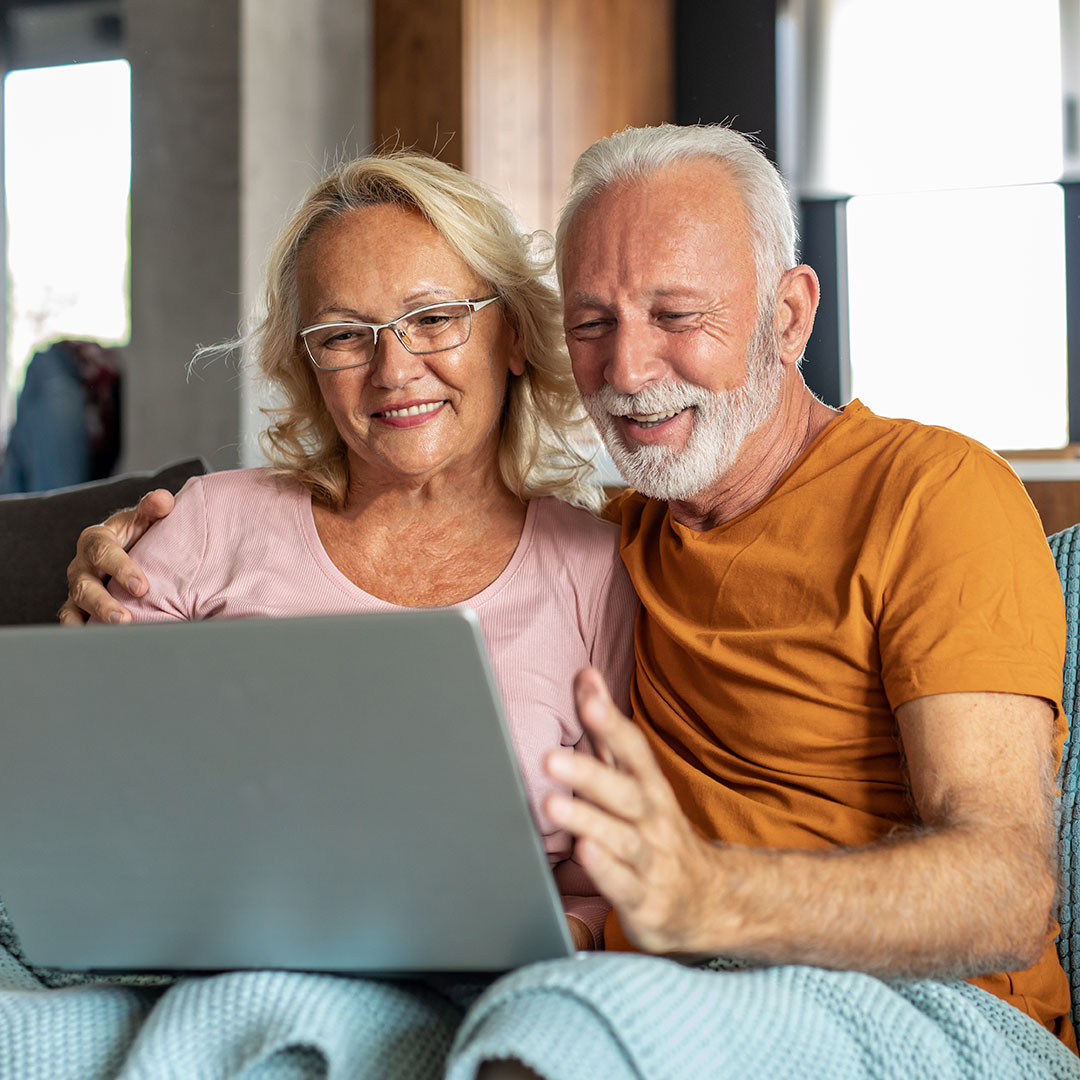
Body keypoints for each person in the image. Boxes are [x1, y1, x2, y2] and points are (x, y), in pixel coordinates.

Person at [62, 125, 1076, 1080]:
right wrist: (111, 578)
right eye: (593, 323)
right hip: (669, 986)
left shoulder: (930, 494)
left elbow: (1006, 891)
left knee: (548, 1032)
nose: (629, 370)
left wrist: (707, 896)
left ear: (790, 314)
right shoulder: (624, 536)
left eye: (678, 316)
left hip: (935, 1010)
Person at [0, 150, 638, 1079]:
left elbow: (600, 864)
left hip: (477, 989)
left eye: (432, 318)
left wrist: (567, 934)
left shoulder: (595, 567)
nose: (393, 368)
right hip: (186, 968)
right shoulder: (211, 520)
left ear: (509, 334)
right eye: (344, 334)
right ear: (308, 364)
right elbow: (86, 790)